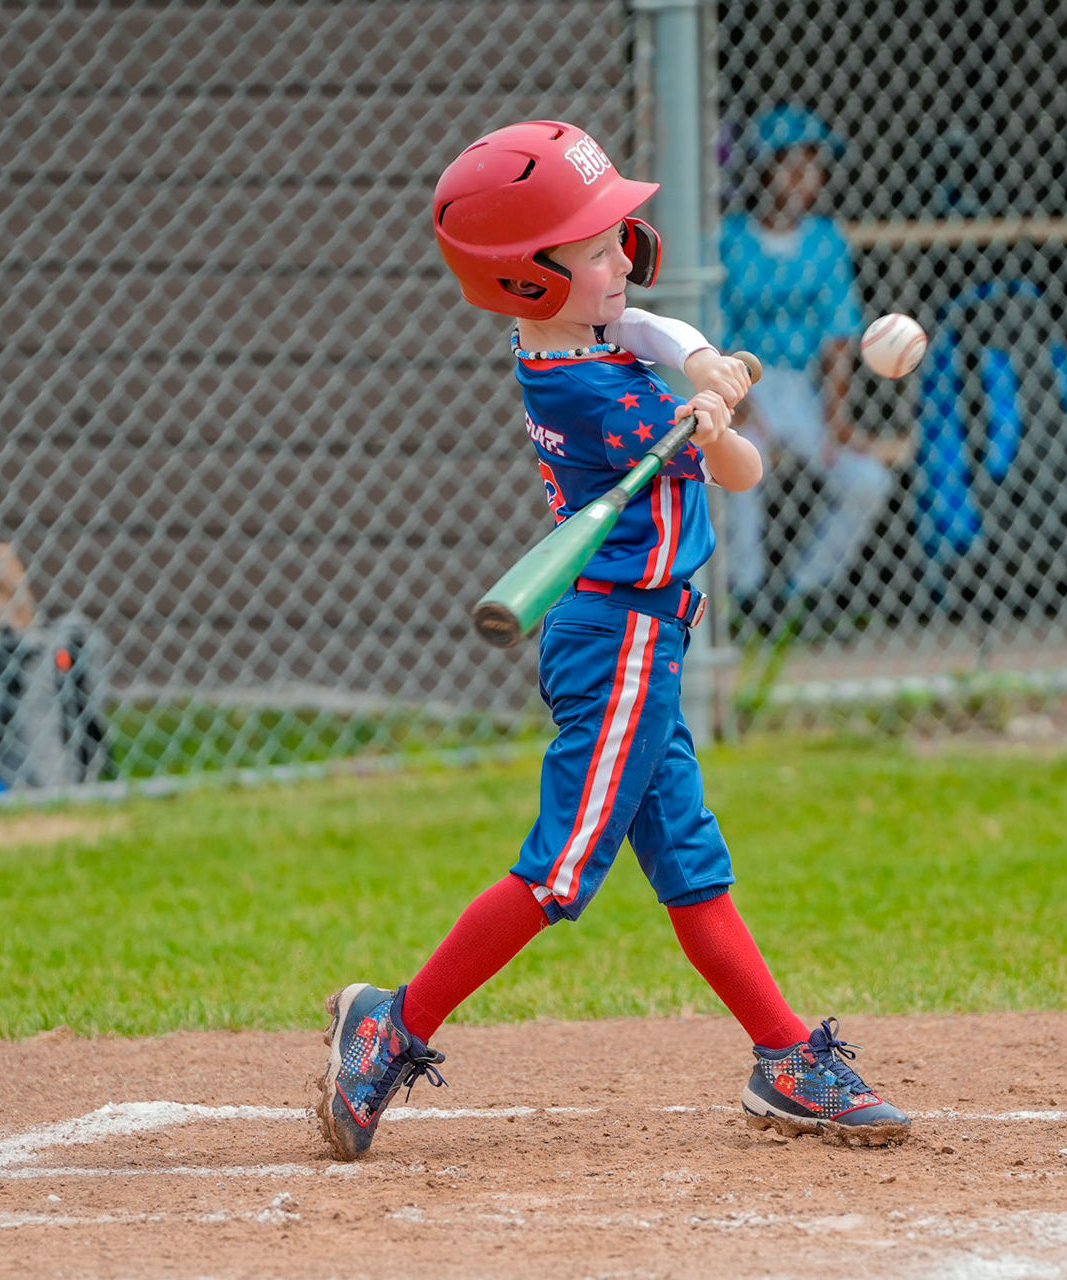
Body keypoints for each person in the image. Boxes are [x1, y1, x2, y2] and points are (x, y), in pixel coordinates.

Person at [313, 121, 911, 1161]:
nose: (622, 257)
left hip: (637, 639)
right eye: (594, 249)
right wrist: (717, 427)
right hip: (621, 642)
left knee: (691, 864)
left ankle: (784, 1056)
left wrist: (705, 365)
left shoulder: (569, 342)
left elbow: (644, 326)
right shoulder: (600, 399)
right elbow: (746, 476)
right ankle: (392, 1023)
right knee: (559, 873)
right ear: (528, 276)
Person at [718, 105, 896, 623]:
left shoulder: (826, 241)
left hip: (802, 392)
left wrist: (836, 419)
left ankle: (805, 594)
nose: (804, 178)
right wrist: (740, 405)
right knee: (743, 467)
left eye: (813, 166)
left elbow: (839, 338)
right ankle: (745, 594)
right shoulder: (729, 239)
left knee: (868, 480)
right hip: (741, 382)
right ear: (761, 171)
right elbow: (714, 330)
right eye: (789, 165)